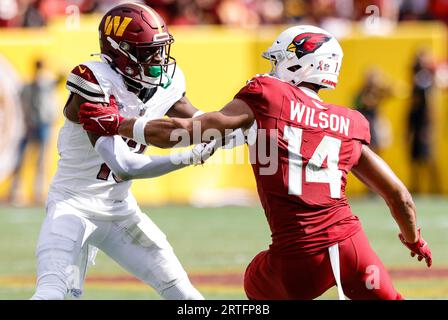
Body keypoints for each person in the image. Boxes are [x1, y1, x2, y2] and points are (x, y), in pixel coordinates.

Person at [79, 25, 433, 300]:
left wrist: (119, 123)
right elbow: (398, 194)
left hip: (297, 253)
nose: (273, 68)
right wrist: (414, 239)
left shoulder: (268, 93)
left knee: (253, 285)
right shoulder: (349, 121)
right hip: (352, 245)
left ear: (300, 61)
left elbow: (190, 131)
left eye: (278, 60)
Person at [31, 3, 216, 300]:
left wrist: (235, 129)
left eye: (160, 49)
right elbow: (125, 165)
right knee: (52, 292)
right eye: (148, 52)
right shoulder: (94, 79)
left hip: (120, 211)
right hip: (73, 208)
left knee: (186, 295)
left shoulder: (167, 80)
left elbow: (198, 118)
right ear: (120, 50)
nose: (158, 59)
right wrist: (190, 155)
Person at [8, 59, 61, 205]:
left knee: (42, 161)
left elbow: (60, 79)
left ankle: (39, 193)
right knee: (22, 160)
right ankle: (16, 192)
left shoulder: (46, 83)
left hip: (43, 125)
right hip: (31, 125)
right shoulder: (29, 85)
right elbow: (22, 102)